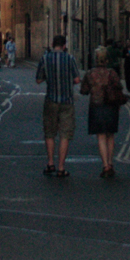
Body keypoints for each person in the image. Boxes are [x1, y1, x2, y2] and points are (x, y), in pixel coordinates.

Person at [35, 34, 80, 177]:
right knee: (65, 135)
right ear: (64, 46)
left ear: (52, 45)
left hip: (51, 100)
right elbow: (77, 79)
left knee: (50, 133)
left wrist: (48, 76)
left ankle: (50, 163)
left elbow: (38, 80)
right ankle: (61, 168)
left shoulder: (45, 59)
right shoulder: (70, 59)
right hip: (67, 101)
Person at [80, 47, 126, 177]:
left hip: (96, 106)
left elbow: (84, 91)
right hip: (111, 106)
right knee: (110, 136)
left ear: (96, 59)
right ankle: (110, 164)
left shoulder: (90, 74)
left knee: (101, 136)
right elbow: (119, 87)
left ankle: (105, 166)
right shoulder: (112, 73)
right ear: (107, 60)